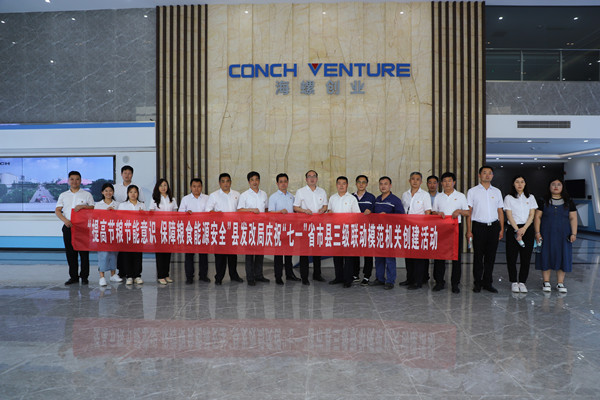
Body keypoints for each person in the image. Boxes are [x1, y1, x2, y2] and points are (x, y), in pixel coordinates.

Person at [534, 177, 577, 294]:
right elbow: (537, 217)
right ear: (549, 187)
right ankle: (546, 282)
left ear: (562, 187)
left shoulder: (569, 201)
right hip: (546, 234)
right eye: (553, 184)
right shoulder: (543, 201)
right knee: (545, 255)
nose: (556, 187)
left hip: (564, 235)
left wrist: (574, 233)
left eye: (559, 184)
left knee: (563, 256)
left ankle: (560, 283)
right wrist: (537, 232)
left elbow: (573, 218)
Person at [466, 165, 504, 293]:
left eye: (490, 173)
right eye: (484, 172)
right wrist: (469, 230)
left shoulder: (497, 191)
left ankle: (488, 282)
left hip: (493, 227)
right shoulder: (472, 191)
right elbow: (469, 212)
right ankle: (477, 283)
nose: (487, 175)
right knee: (478, 257)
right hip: (478, 227)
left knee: (490, 257)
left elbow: (500, 211)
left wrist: (501, 229)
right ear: (479, 175)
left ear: (492, 176)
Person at [55, 170, 95, 285]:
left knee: (84, 253)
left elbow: (93, 208)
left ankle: (84, 277)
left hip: (83, 228)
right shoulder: (63, 195)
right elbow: (57, 210)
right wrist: (65, 221)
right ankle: (73, 277)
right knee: (70, 253)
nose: (74, 181)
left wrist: (83, 207)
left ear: (80, 180)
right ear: (68, 181)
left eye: (77, 179)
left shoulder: (87, 194)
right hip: (69, 226)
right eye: (72, 179)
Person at [431, 172, 469, 293]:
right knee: (439, 256)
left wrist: (459, 211)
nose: (447, 183)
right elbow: (433, 212)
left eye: (449, 181)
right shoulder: (438, 196)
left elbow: (467, 212)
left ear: (454, 182)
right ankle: (439, 282)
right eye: (445, 181)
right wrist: (438, 213)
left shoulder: (461, 196)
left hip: (455, 228)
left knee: (456, 256)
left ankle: (455, 284)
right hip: (441, 228)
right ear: (441, 183)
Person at [206, 173, 243, 285]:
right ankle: (219, 277)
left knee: (233, 254)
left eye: (227, 181)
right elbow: (208, 210)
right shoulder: (214, 195)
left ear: (231, 182)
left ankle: (234, 275)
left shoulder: (237, 194)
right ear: (219, 183)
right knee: (220, 255)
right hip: (220, 229)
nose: (225, 183)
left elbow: (241, 210)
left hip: (233, 228)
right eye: (223, 181)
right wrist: (216, 214)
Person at [369, 176, 405, 290]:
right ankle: (380, 278)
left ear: (390, 186)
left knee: (389, 258)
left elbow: (401, 217)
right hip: (378, 233)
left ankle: (390, 281)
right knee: (378, 258)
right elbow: (373, 214)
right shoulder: (377, 199)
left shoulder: (395, 200)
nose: (383, 186)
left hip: (390, 233)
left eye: (385, 184)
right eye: (381, 184)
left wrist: (388, 216)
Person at [293, 170, 328, 285]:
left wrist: (323, 209)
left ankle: (317, 274)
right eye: (309, 176)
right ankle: (304, 276)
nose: (312, 178)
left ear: (317, 178)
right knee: (304, 252)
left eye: (314, 176)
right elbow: (295, 207)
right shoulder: (300, 192)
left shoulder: (322, 191)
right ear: (306, 179)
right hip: (305, 226)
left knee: (317, 251)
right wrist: (304, 211)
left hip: (318, 226)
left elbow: (325, 205)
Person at [504, 175, 538, 293]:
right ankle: (514, 281)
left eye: (522, 182)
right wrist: (517, 230)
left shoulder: (531, 197)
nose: (519, 184)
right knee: (511, 257)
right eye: (517, 182)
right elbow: (509, 215)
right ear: (513, 184)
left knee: (526, 257)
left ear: (525, 184)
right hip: (513, 228)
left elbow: (532, 215)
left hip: (527, 229)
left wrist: (524, 229)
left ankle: (522, 282)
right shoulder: (508, 198)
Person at [327, 176, 361, 288]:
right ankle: (338, 277)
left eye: (344, 183)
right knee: (337, 256)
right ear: (336, 185)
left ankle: (348, 279)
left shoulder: (352, 198)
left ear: (347, 185)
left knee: (348, 257)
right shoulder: (332, 198)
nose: (341, 186)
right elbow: (329, 212)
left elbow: (357, 215)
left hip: (348, 231)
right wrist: (329, 212)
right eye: (339, 183)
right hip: (336, 231)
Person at [400, 172, 432, 290]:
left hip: (419, 229)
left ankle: (418, 281)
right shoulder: (405, 195)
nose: (415, 181)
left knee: (418, 257)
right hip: (407, 229)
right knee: (408, 255)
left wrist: (424, 228)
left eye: (417, 179)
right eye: (413, 179)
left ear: (421, 182)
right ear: (409, 181)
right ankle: (410, 279)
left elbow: (428, 212)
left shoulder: (425, 195)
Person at [237, 171, 269, 286]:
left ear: (259, 181)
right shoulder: (244, 195)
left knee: (260, 253)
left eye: (256, 179)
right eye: (252, 180)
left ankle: (259, 275)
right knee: (249, 253)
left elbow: (266, 209)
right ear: (249, 182)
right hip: (249, 228)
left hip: (261, 227)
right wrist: (251, 210)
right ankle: (250, 277)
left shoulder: (264, 194)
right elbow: (239, 210)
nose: (254, 182)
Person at [268, 173, 301, 285]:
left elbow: (295, 211)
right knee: (278, 254)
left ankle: (289, 274)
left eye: (285, 181)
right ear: (277, 183)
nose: (283, 184)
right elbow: (270, 213)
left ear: (288, 182)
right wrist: (280, 212)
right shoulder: (273, 197)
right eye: (281, 182)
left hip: (290, 229)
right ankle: (278, 276)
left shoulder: (292, 196)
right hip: (278, 229)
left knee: (289, 253)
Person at [113, 165, 145, 278]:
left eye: (129, 173)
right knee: (123, 252)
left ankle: (136, 274)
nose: (127, 175)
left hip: (137, 229)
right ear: (121, 174)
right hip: (124, 227)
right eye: (125, 173)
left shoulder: (138, 188)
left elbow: (142, 203)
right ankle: (123, 272)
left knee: (136, 253)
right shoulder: (116, 187)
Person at [179, 178, 210, 284]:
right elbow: (180, 214)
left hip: (203, 230)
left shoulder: (207, 198)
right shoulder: (185, 199)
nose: (196, 189)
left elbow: (211, 212)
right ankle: (189, 277)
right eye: (194, 186)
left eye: (199, 186)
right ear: (190, 187)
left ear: (202, 187)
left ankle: (203, 275)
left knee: (203, 254)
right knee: (189, 255)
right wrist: (186, 213)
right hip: (190, 230)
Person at [149, 178, 178, 285]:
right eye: (161, 185)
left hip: (169, 229)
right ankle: (160, 275)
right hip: (159, 229)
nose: (163, 187)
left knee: (168, 253)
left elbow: (175, 213)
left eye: (165, 185)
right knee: (160, 253)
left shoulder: (172, 199)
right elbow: (151, 213)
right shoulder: (154, 199)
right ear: (158, 187)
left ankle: (166, 274)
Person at [94, 183, 122, 286]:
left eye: (110, 190)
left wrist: (115, 213)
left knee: (113, 254)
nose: (108, 193)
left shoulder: (118, 204)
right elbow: (95, 218)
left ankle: (113, 274)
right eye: (106, 191)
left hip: (114, 232)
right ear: (102, 192)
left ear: (113, 192)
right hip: (102, 232)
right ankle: (102, 277)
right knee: (103, 254)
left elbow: (122, 218)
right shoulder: (98, 205)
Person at [117, 185, 145, 285]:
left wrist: (143, 215)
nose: (133, 194)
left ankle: (137, 275)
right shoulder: (122, 205)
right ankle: (129, 276)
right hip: (127, 233)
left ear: (138, 194)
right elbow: (119, 219)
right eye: (131, 192)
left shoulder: (142, 205)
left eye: (135, 192)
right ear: (128, 194)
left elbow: (145, 220)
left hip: (138, 233)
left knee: (138, 255)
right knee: (127, 255)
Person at [352, 175, 376, 285]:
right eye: (359, 182)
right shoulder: (351, 197)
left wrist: (371, 212)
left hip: (367, 229)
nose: (361, 184)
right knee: (354, 252)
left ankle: (367, 276)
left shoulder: (371, 197)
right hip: (354, 229)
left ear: (367, 184)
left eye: (363, 182)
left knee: (368, 253)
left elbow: (376, 212)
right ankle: (355, 274)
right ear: (356, 183)